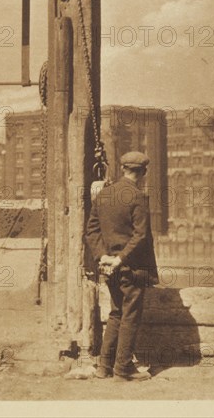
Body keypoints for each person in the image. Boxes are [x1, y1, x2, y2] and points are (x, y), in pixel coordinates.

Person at [85, 151, 158, 381]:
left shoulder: (104, 194)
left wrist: (102, 257)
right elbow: (141, 236)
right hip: (131, 268)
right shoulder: (137, 196)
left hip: (109, 267)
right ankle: (123, 368)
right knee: (130, 316)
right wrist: (120, 259)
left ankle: (104, 366)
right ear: (143, 172)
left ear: (123, 169)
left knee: (116, 313)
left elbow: (91, 231)